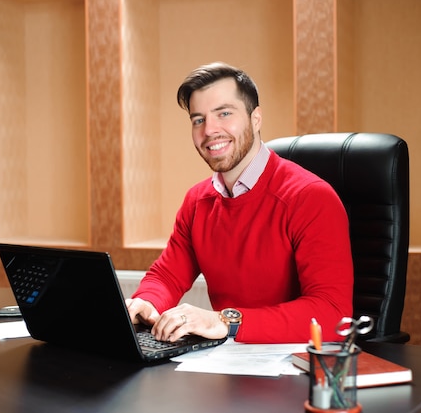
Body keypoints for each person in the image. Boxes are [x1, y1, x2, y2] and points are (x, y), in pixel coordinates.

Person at [126, 62, 353, 344]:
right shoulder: (197, 201)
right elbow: (167, 276)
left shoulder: (311, 197)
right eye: (198, 119)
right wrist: (146, 303)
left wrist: (226, 321)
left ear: (255, 118)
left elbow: (333, 314)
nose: (209, 130)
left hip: (295, 367)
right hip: (225, 362)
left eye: (224, 113)